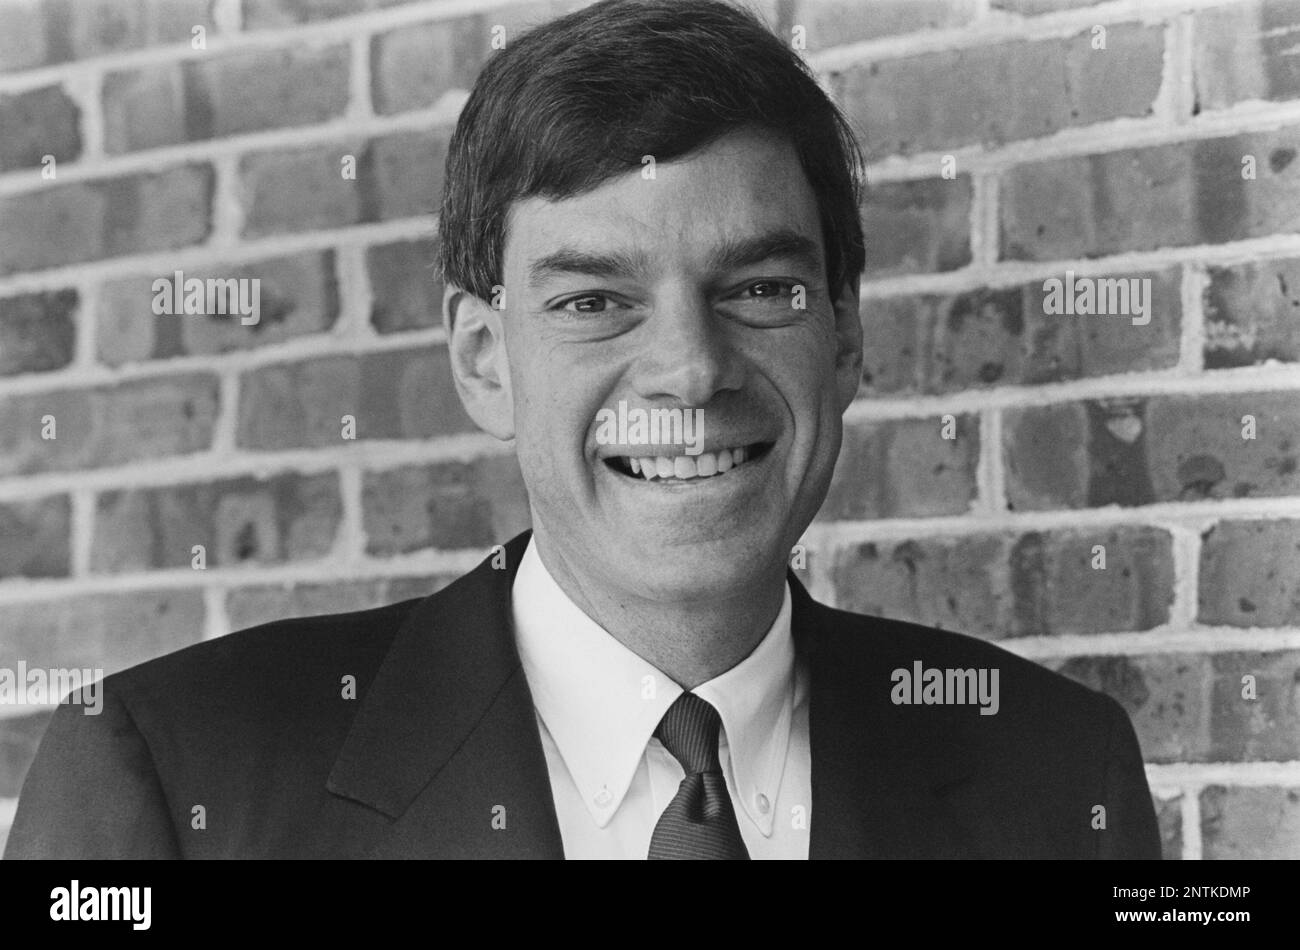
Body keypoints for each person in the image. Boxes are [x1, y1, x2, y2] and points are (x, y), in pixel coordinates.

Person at [5, 0, 1159, 860]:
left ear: (845, 337)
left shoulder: (1060, 775)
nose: (690, 368)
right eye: (594, 300)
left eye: (759, 288)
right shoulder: (173, 772)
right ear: (483, 360)